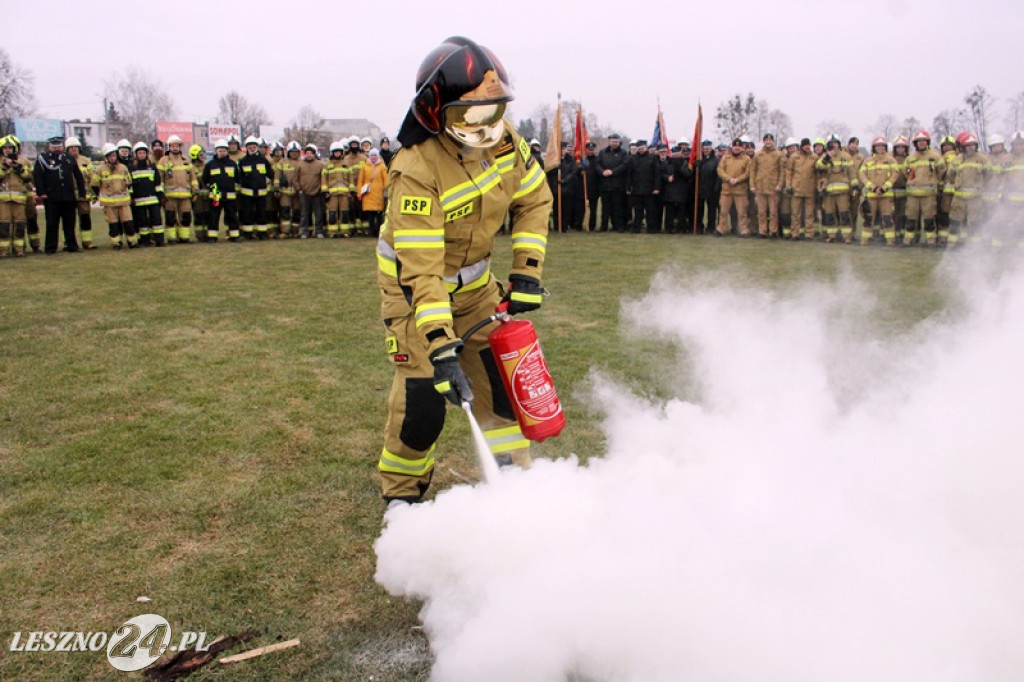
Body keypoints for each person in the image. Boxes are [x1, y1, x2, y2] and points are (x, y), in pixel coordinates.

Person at [377, 36, 551, 504]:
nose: (487, 127)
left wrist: (527, 270)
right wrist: (440, 346)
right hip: (415, 297)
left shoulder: (505, 141)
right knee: (422, 407)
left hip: (477, 292)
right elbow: (422, 271)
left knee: (499, 391)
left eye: (494, 111)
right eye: (470, 116)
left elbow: (535, 198)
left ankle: (512, 487)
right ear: (436, 112)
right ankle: (402, 498)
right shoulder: (416, 169)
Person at [33, 136, 86, 254]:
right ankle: (50, 248)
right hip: (52, 197)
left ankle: (72, 246)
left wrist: (82, 192)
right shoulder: (43, 159)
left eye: (59, 146)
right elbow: (38, 176)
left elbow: (78, 176)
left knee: (69, 223)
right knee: (52, 224)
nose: (57, 148)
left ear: (63, 146)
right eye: (54, 146)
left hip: (68, 196)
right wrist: (41, 192)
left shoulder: (69, 158)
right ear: (49, 146)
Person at [946, 133, 990, 247]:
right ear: (962, 147)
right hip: (958, 198)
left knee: (975, 222)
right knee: (955, 221)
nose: (971, 148)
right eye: (968, 145)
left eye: (973, 145)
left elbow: (989, 175)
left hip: (975, 198)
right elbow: (950, 175)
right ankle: (952, 244)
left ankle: (974, 246)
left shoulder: (982, 160)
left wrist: (978, 185)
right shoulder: (956, 160)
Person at [903, 130, 945, 246]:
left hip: (929, 195)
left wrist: (932, 182)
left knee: (929, 218)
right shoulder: (910, 158)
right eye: (919, 142)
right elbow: (906, 172)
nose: (921, 143)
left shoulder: (935, 156)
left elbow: (941, 172)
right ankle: (908, 241)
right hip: (913, 195)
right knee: (911, 218)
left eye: (923, 141)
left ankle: (931, 241)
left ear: (927, 142)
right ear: (915, 143)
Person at [91, 143, 135, 249]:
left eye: (114, 155)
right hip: (109, 204)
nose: (112, 157)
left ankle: (132, 242)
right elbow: (94, 185)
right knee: (113, 225)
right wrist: (97, 196)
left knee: (128, 223)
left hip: (124, 202)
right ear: (106, 157)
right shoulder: (100, 169)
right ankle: (116, 243)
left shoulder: (123, 168)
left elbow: (129, 183)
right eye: (110, 155)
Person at [156, 134, 198, 244]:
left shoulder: (186, 161)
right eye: (173, 146)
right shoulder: (163, 161)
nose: (175, 148)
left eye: (177, 146)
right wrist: (160, 193)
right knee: (170, 218)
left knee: (186, 217)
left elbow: (192, 177)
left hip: (185, 196)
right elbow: (159, 178)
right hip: (169, 196)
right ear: (169, 147)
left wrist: (195, 190)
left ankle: (184, 238)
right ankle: (172, 238)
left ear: (180, 147)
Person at [815, 134, 856, 243]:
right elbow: (819, 167)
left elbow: (852, 172)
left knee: (844, 214)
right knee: (830, 214)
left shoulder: (846, 156)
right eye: (831, 143)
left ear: (839, 144)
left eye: (835, 143)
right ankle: (832, 235)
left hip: (842, 191)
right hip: (828, 191)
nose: (834, 145)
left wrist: (855, 186)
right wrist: (828, 157)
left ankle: (847, 236)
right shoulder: (825, 156)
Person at [858, 137, 898, 246]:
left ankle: (890, 241)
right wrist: (872, 187)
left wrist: (885, 187)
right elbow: (862, 175)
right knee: (868, 219)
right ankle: (864, 241)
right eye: (878, 145)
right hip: (871, 195)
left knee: (887, 218)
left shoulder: (891, 160)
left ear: (885, 147)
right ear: (874, 147)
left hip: (886, 195)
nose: (880, 147)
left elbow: (895, 175)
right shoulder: (868, 161)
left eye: (882, 145)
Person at [0, 135, 35, 257]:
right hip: (3, 200)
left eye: (10, 147)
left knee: (20, 224)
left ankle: (19, 250)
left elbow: (29, 178)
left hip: (19, 200)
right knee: (4, 225)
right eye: (5, 148)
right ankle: (3, 251)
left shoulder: (22, 161)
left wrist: (18, 168)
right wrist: (5, 166)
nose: (8, 150)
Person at [201, 139, 241, 242]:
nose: (222, 152)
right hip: (215, 193)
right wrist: (212, 188)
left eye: (224, 150)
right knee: (214, 216)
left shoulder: (232, 164)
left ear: (227, 151)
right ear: (216, 151)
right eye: (220, 150)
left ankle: (234, 235)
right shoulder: (210, 164)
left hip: (230, 194)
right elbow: (205, 179)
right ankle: (212, 236)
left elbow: (238, 178)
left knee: (232, 216)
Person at [237, 135, 274, 239]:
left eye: (254, 147)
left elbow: (270, 174)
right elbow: (239, 177)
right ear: (247, 148)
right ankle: (248, 234)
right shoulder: (243, 161)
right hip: (247, 193)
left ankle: (262, 234)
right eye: (250, 147)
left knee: (262, 214)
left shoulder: (263, 160)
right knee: (247, 214)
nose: (252, 149)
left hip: (261, 192)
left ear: (257, 147)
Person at [128, 142, 165, 247]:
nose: (142, 155)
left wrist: (161, 196)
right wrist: (131, 197)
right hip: (139, 200)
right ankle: (145, 241)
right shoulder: (131, 168)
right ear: (136, 154)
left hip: (153, 199)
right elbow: (130, 185)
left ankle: (159, 240)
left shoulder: (152, 167)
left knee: (157, 220)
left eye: (143, 153)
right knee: (142, 222)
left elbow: (157, 183)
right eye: (139, 153)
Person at [64, 137, 96, 250]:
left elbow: (92, 178)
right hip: (69, 197)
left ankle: (87, 242)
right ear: (67, 149)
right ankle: (68, 243)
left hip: (83, 197)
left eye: (76, 147)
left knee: (85, 218)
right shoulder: (64, 160)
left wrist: (93, 194)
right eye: (71, 147)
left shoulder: (86, 161)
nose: (74, 149)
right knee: (68, 221)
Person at [750, 133, 785, 238]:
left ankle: (773, 231)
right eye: (766, 140)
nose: (768, 142)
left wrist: (779, 185)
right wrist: (752, 185)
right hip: (760, 187)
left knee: (773, 212)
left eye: (770, 140)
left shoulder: (778, 154)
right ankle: (762, 231)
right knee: (761, 212)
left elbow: (782, 171)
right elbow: (753, 170)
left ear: (773, 141)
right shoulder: (758, 154)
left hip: (773, 188)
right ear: (764, 141)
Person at [716, 138, 751, 236]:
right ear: (732, 147)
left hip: (740, 190)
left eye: (739, 146)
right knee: (723, 211)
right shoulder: (725, 158)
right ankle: (721, 229)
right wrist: (728, 179)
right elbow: (720, 170)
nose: (737, 148)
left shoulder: (746, 159)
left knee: (742, 212)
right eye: (735, 146)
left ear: (742, 148)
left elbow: (748, 172)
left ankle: (743, 230)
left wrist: (738, 180)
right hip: (727, 189)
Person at [595, 133, 629, 232]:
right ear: (609, 142)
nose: (614, 143)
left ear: (619, 142)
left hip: (617, 185)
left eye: (616, 142)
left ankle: (618, 226)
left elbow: (624, 165)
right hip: (605, 184)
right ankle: (603, 226)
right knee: (605, 207)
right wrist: (602, 172)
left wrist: (613, 172)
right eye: (613, 141)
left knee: (617, 207)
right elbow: (597, 164)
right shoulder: (602, 152)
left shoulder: (623, 153)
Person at [784, 138, 818, 240]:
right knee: (795, 213)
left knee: (809, 214)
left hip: (810, 189)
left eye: (808, 145)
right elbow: (789, 172)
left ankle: (809, 234)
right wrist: (788, 186)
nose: (807, 147)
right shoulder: (794, 157)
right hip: (796, 189)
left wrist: (817, 187)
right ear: (801, 146)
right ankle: (795, 233)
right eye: (805, 145)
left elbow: (817, 174)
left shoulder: (814, 157)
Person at [322, 140, 353, 237]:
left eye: (339, 151)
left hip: (344, 194)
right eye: (335, 152)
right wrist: (325, 191)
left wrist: (351, 191)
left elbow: (350, 178)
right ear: (332, 153)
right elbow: (324, 179)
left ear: (342, 152)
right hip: (332, 194)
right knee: (332, 214)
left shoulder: (346, 164)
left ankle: (344, 232)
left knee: (345, 213)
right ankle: (332, 232)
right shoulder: (327, 165)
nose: (337, 153)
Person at [295, 143, 325, 238]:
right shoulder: (300, 165)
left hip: (317, 193)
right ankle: (304, 232)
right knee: (304, 214)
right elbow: (295, 178)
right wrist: (298, 188)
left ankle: (319, 231)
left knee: (318, 213)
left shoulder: (320, 165)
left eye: (311, 153)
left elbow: (323, 178)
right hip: (303, 193)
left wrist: (322, 189)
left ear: (314, 154)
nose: (309, 155)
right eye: (307, 153)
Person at [357, 148, 389, 237]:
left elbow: (386, 180)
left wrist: (386, 191)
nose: (373, 157)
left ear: (377, 156)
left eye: (375, 155)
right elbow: (360, 181)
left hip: (379, 195)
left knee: (379, 215)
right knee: (370, 215)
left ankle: (378, 232)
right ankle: (371, 232)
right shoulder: (364, 167)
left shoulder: (382, 167)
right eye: (372, 155)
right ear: (369, 156)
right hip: (368, 195)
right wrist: (359, 194)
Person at [661, 144, 692, 233]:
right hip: (670, 190)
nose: (675, 157)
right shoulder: (667, 163)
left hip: (682, 190)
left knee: (681, 211)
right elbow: (662, 174)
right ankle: (669, 228)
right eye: (674, 155)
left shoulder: (685, 163)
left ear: (681, 154)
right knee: (669, 211)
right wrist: (667, 177)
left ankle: (681, 228)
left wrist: (680, 169)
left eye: (677, 155)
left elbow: (688, 174)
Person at [275, 141, 301, 238]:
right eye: (292, 151)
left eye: (296, 151)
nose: (294, 153)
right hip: (284, 192)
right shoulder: (282, 162)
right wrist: (276, 189)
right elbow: (277, 176)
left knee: (297, 212)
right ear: (288, 152)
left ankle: (295, 231)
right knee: (285, 211)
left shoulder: (301, 163)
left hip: (297, 192)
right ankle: (285, 231)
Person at [695, 140, 720, 234]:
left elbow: (718, 176)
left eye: (708, 148)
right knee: (699, 210)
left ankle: (711, 228)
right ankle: (699, 227)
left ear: (711, 148)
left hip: (712, 189)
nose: (706, 150)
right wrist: (696, 166)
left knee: (711, 211)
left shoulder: (716, 160)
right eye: (704, 148)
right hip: (700, 189)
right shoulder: (699, 159)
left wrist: (716, 188)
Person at [891, 135, 910, 242]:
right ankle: (894, 235)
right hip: (892, 192)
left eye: (903, 147)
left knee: (903, 215)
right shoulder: (890, 159)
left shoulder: (909, 159)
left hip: (904, 192)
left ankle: (902, 235)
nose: (900, 149)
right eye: (898, 147)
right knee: (892, 215)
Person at [189, 144, 210, 243]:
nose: (202, 156)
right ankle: (200, 236)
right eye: (200, 154)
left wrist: (216, 194)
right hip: (197, 197)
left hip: (208, 196)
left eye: (203, 154)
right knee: (198, 216)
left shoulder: (207, 166)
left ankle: (208, 234)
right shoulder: (190, 168)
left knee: (208, 215)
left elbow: (213, 181)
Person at [583, 141, 600, 231]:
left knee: (593, 209)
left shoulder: (597, 160)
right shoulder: (583, 160)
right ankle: (580, 225)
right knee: (582, 208)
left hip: (594, 188)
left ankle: (592, 226)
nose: (590, 151)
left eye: (592, 150)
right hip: (584, 188)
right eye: (589, 150)